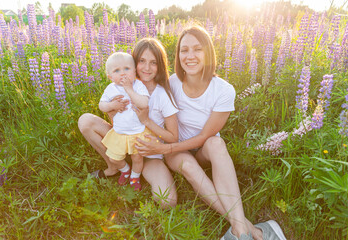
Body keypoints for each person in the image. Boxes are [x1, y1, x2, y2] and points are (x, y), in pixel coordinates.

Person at [135, 25, 287, 240]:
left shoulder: (224, 90)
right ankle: (246, 231)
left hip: (200, 146)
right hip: (177, 151)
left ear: (208, 52)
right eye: (184, 50)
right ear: (178, 55)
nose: (190, 56)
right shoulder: (171, 83)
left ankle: (246, 229)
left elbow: (205, 136)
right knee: (187, 164)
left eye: (197, 49)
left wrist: (164, 146)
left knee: (216, 144)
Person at [78, 38, 178, 206]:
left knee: (167, 201)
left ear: (160, 65)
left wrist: (146, 121)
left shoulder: (162, 95)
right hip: (122, 140)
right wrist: (112, 110)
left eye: (153, 62)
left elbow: (173, 137)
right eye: (142, 61)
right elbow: (116, 123)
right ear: (134, 63)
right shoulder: (119, 86)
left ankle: (135, 171)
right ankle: (115, 167)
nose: (147, 68)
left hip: (148, 153)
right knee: (85, 121)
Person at [99, 51, 151, 191]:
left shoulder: (138, 86)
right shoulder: (111, 89)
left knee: (137, 159)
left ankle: (135, 177)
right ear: (110, 76)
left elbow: (144, 103)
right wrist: (112, 106)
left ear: (134, 71)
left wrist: (129, 89)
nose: (123, 73)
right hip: (119, 133)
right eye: (117, 70)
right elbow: (102, 105)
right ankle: (125, 170)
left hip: (137, 132)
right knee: (113, 158)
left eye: (127, 69)